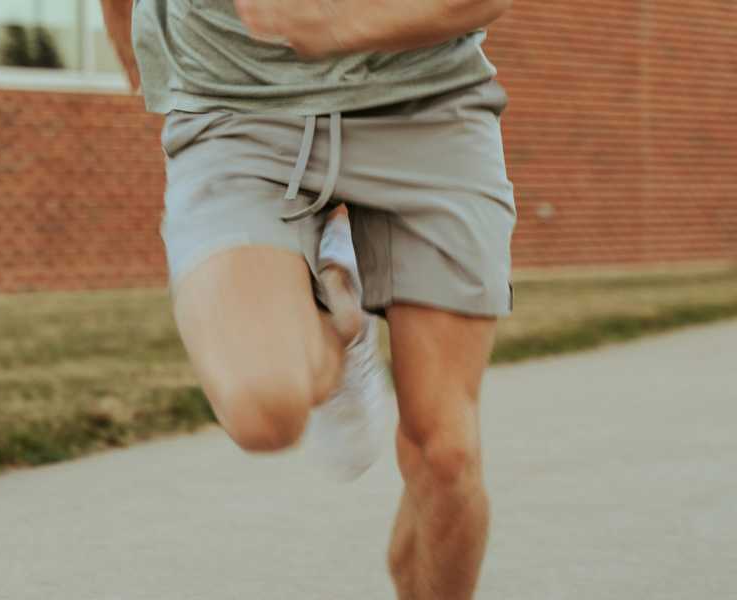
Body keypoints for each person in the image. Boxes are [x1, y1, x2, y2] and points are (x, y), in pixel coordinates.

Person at [102, 1, 516, 599]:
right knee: (261, 413)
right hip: (237, 111)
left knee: (446, 453)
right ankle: (337, 315)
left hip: (426, 106)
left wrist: (333, 25)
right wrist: (133, 44)